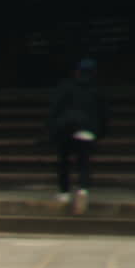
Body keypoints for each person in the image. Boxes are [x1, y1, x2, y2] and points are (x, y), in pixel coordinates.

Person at [48, 58, 108, 215]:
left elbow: (55, 109)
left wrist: (52, 129)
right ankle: (82, 190)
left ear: (77, 72)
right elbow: (103, 115)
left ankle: (64, 193)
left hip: (66, 130)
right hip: (86, 130)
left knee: (63, 162)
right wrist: (100, 133)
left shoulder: (66, 87)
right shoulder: (96, 90)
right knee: (84, 162)